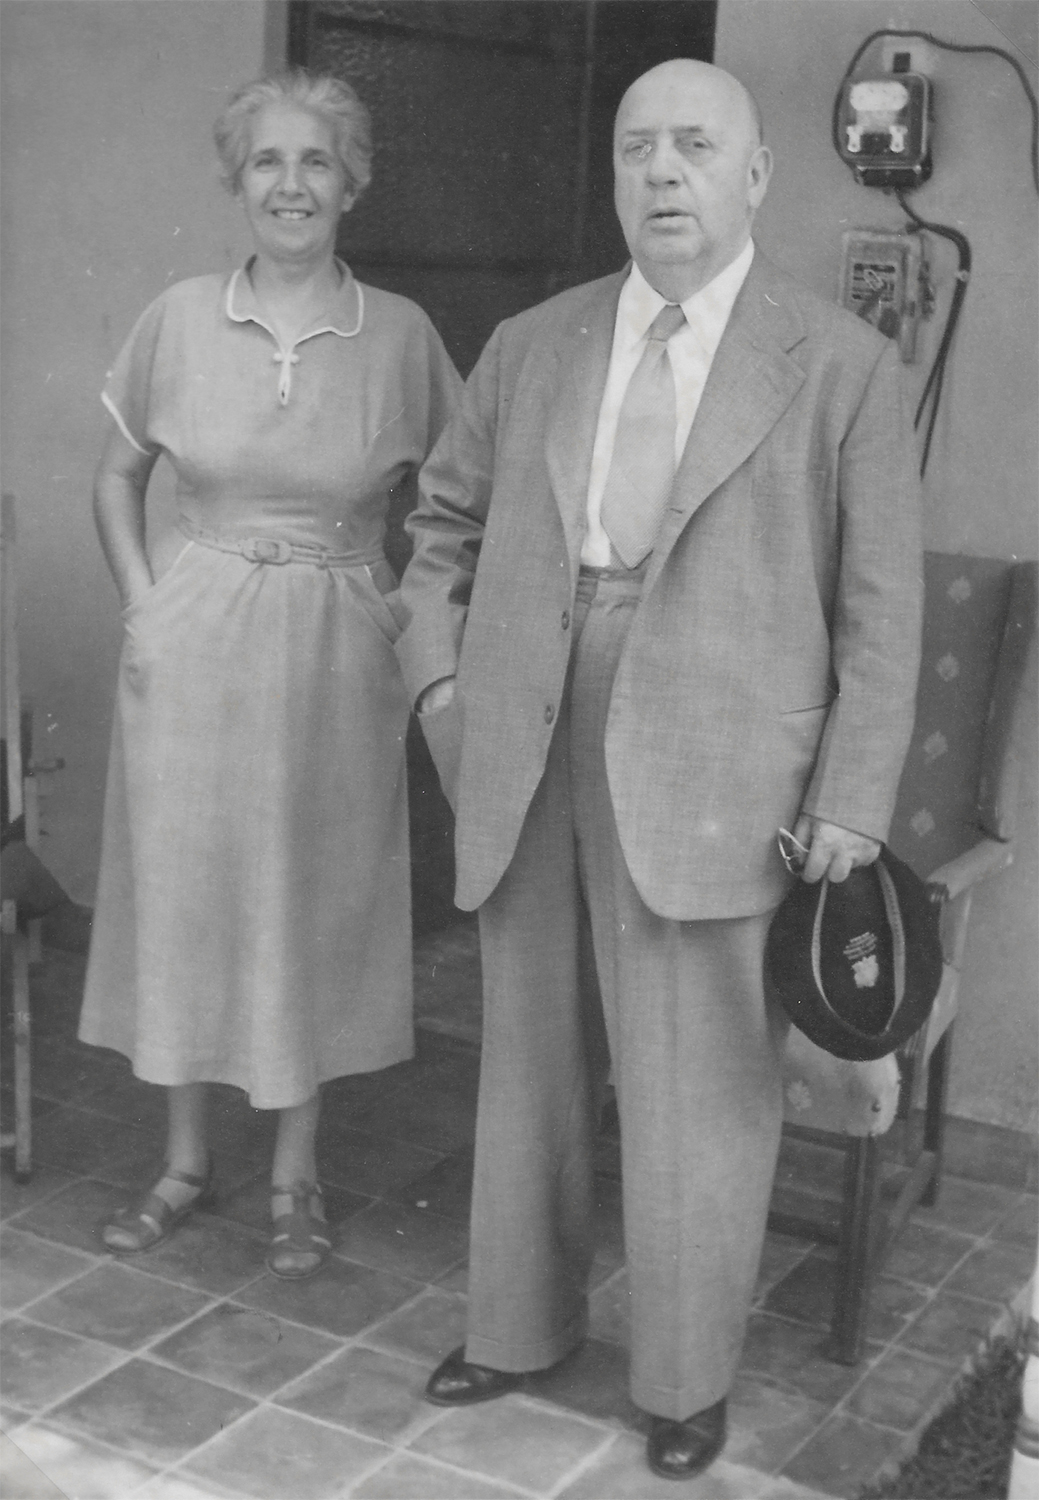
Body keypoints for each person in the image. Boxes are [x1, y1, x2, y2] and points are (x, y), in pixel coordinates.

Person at [396, 59, 922, 1480]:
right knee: (528, 1059)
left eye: (695, 145)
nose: (662, 171)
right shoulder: (530, 343)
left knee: (697, 1084)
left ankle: (683, 1383)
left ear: (753, 177)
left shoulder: (840, 365)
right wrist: (440, 689)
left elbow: (881, 611)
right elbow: (436, 531)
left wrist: (849, 805)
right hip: (525, 735)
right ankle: (515, 1328)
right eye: (637, 148)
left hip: (716, 773)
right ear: (615, 176)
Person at [79, 72, 461, 1279]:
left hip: (339, 650)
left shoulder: (398, 335)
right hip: (194, 644)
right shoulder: (180, 317)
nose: (290, 185)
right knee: (188, 890)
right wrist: (148, 606)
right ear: (236, 182)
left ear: (352, 182)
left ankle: (296, 1173)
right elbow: (114, 477)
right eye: (266, 164)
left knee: (314, 895)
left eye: (314, 163)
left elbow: (457, 507)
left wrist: (405, 618)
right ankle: (185, 1160)